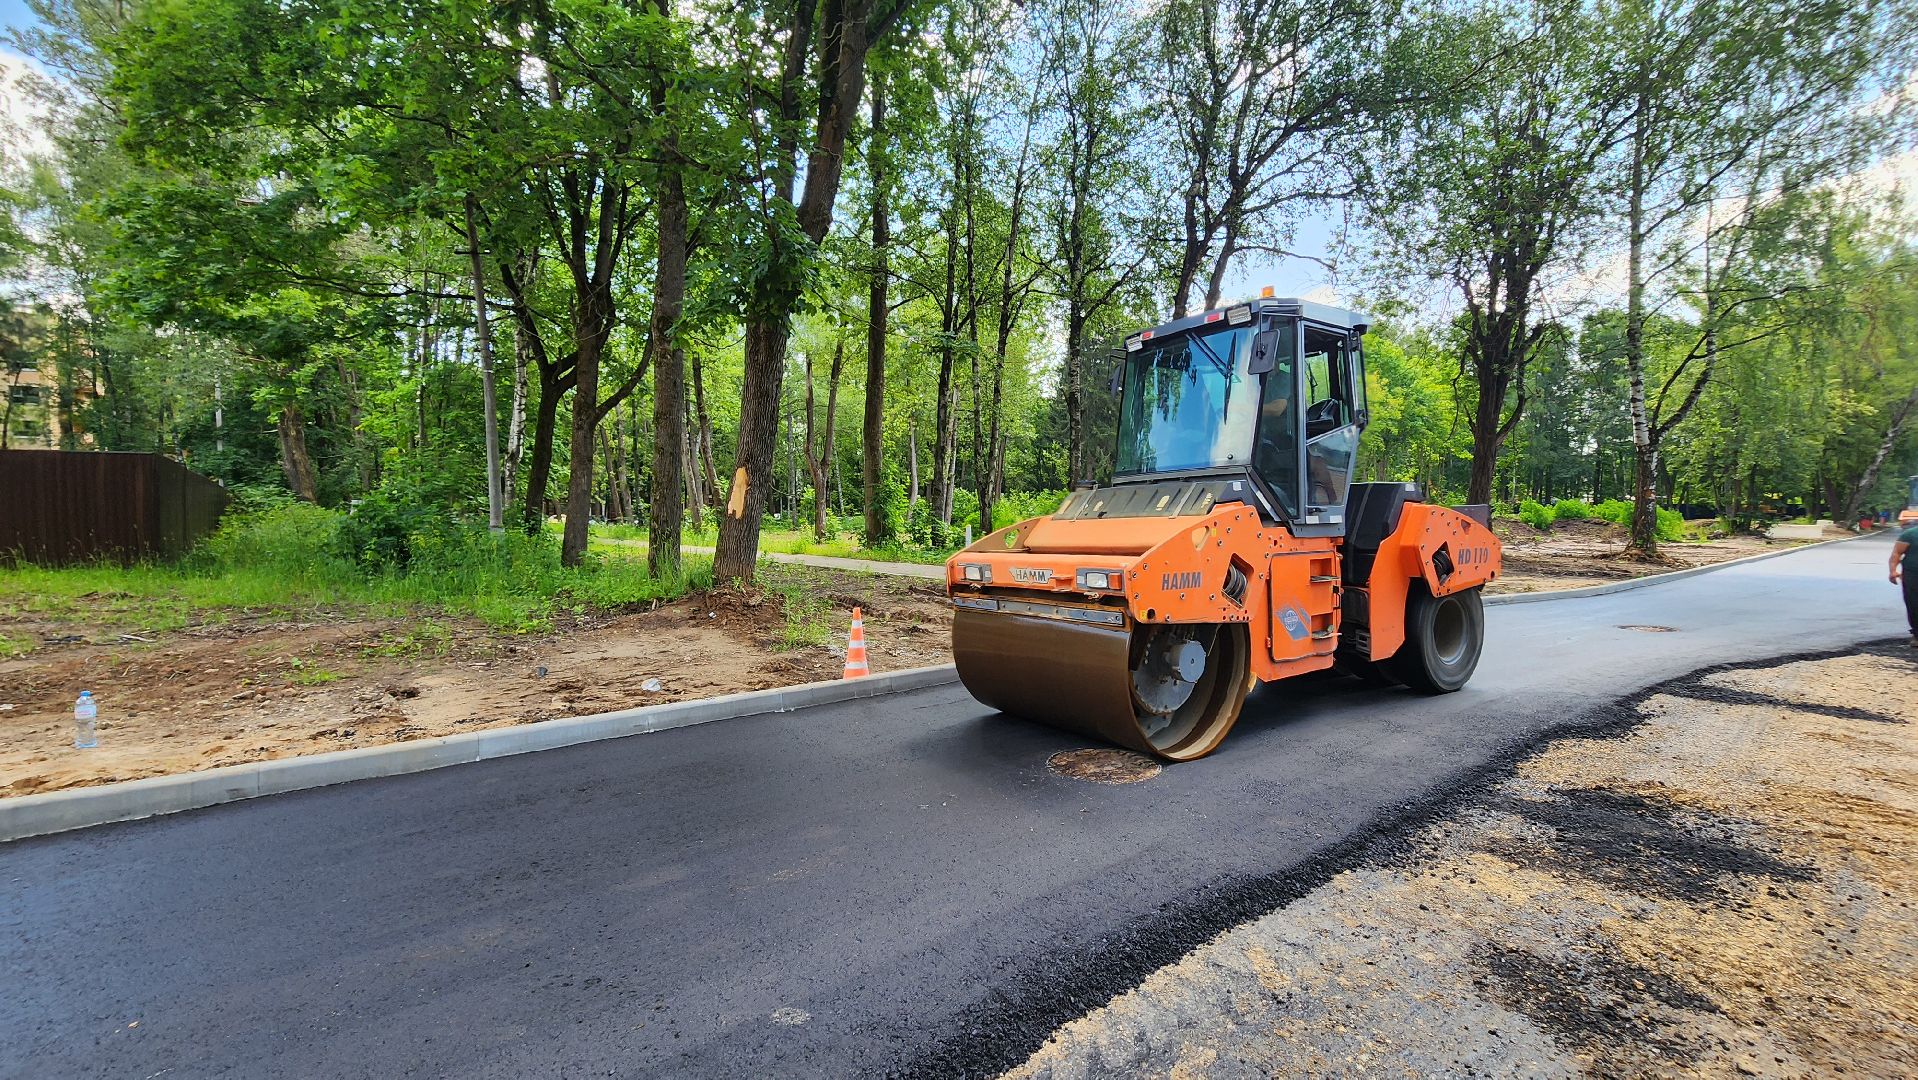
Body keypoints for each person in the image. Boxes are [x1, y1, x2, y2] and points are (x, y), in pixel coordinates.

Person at [1893, 521, 1918, 646]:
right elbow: (1897, 553)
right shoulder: (1911, 534)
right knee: (1913, 603)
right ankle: (1917, 634)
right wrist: (1893, 571)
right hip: (1913, 574)